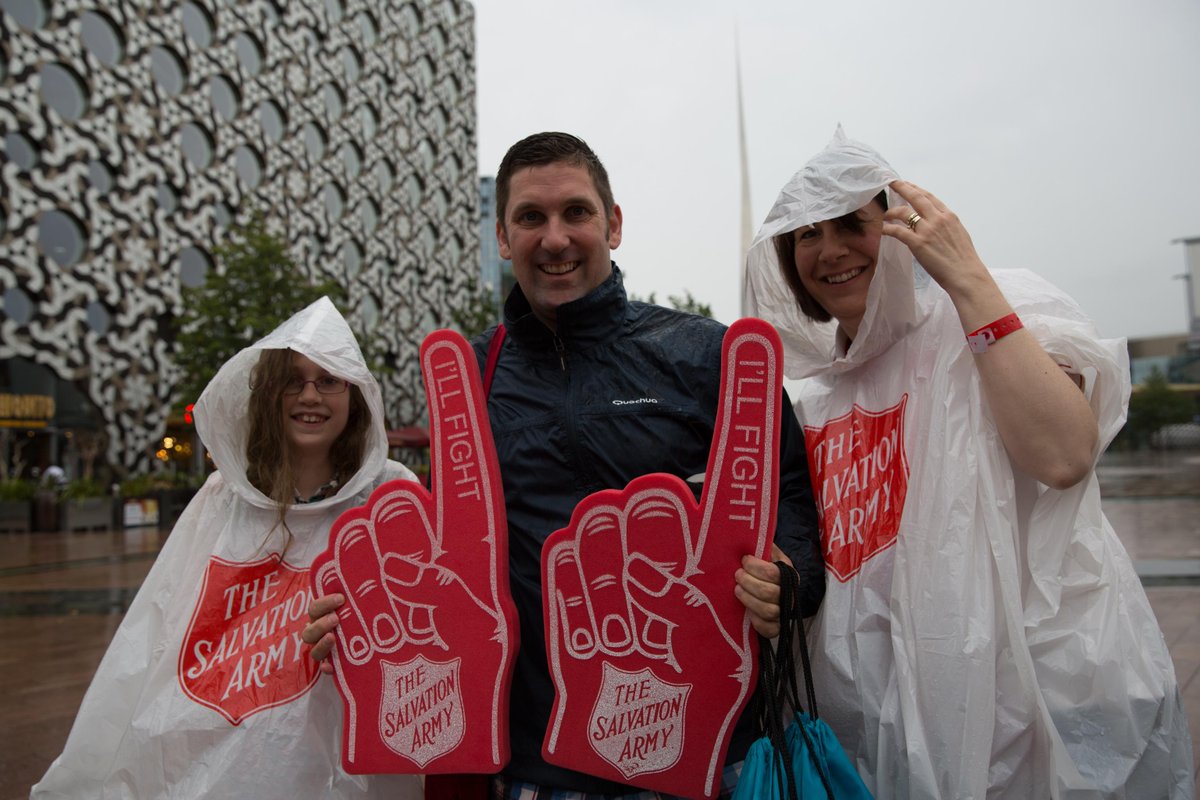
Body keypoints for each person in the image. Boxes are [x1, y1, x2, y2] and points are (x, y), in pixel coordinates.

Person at [305, 131, 825, 797]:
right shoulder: (469, 378)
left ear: (612, 224)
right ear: (500, 237)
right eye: (531, 218)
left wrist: (790, 574)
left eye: (575, 212)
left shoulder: (706, 356)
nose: (554, 238)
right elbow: (442, 563)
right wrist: (352, 625)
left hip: (703, 757)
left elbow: (786, 487)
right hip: (538, 767)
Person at [742, 128, 1194, 798]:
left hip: (1031, 708)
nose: (829, 250)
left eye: (851, 225)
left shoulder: (986, 311)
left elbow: (1064, 455)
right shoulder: (813, 398)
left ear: (900, 228)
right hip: (873, 728)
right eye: (806, 234)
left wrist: (965, 278)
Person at [33, 297, 422, 799]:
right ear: (268, 393)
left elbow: (427, 623)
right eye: (293, 379)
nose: (311, 396)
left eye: (329, 380)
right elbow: (159, 625)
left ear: (355, 394)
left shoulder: (390, 496)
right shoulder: (223, 498)